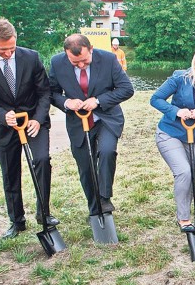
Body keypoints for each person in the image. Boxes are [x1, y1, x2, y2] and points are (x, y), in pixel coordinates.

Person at [0, 18, 59, 239]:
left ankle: (44, 213)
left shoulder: (31, 57)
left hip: (33, 122)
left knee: (41, 161)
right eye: (3, 50)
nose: (8, 54)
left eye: (11, 48)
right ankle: (16, 221)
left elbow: (44, 92)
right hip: (5, 127)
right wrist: (3, 115)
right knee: (10, 174)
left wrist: (38, 119)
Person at [49, 34, 134, 219]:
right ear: (66, 54)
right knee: (86, 167)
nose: (80, 65)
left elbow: (126, 89)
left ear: (91, 49)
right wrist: (66, 102)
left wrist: (98, 100)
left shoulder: (109, 59)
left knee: (106, 152)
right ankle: (94, 209)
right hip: (78, 123)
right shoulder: (57, 63)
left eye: (84, 61)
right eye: (74, 62)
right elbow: (52, 93)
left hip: (106, 118)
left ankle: (104, 198)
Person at [151, 43, 195, 232]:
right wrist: (177, 111)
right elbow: (156, 99)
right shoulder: (179, 78)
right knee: (183, 172)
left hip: (193, 137)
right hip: (169, 133)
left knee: (191, 177)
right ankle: (184, 219)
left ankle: (186, 213)